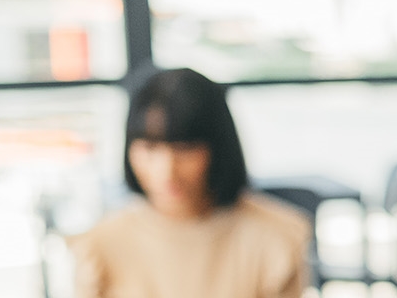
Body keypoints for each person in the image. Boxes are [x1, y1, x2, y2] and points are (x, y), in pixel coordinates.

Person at [72, 68, 310, 298]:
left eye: (184, 148)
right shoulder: (99, 246)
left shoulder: (276, 239)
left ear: (217, 147)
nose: (166, 170)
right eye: (150, 147)